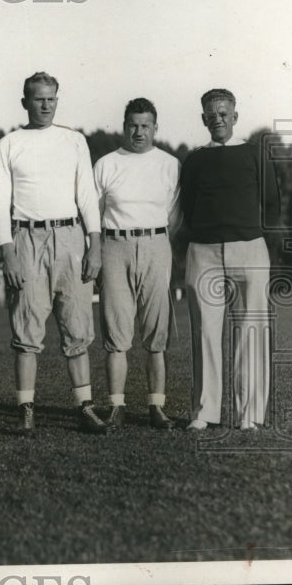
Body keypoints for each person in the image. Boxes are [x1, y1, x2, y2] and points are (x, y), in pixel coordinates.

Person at [0, 72, 109, 435]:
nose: (45, 105)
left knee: (77, 326)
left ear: (58, 99)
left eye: (51, 99)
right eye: (38, 99)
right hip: (26, 238)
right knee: (26, 329)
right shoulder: (8, 144)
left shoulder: (74, 141)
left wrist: (95, 243)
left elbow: (87, 194)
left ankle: (84, 406)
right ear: (25, 101)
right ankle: (26, 408)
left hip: (71, 237)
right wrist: (7, 251)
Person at [180, 88, 279, 431]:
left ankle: (249, 415)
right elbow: (189, 207)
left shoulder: (254, 154)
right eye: (211, 114)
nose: (217, 119)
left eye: (224, 114)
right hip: (203, 252)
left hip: (249, 248)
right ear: (203, 118)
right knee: (205, 332)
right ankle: (204, 412)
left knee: (250, 333)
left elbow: (272, 203)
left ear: (234, 117)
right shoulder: (194, 160)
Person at [93, 98, 181, 430]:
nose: (139, 131)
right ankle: (116, 406)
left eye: (145, 125)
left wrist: (157, 241)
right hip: (115, 245)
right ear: (124, 125)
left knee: (156, 332)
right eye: (133, 124)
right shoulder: (106, 164)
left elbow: (176, 215)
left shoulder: (170, 164)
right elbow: (95, 213)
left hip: (157, 243)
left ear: (155, 128)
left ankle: (156, 407)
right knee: (116, 332)